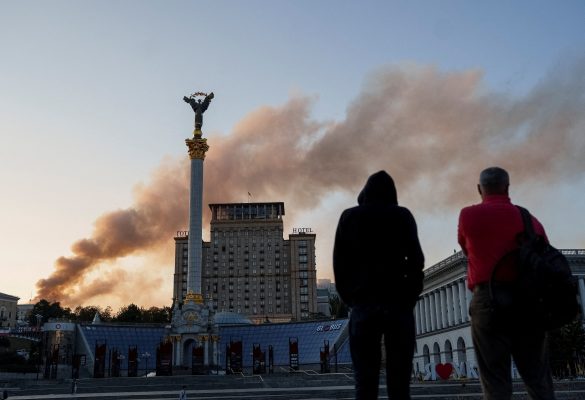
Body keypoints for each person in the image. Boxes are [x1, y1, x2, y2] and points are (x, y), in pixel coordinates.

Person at [458, 166, 555, 400]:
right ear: (507, 187)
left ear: (479, 188)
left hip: (488, 302)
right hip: (528, 303)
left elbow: (465, 248)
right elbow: (546, 256)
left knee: (495, 382)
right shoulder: (530, 220)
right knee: (538, 378)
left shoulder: (468, 216)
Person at [334, 170, 424, 399]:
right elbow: (417, 262)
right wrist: (409, 298)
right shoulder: (403, 216)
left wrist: (352, 300)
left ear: (365, 193)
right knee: (400, 383)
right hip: (398, 307)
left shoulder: (349, 217)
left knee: (364, 382)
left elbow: (340, 266)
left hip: (363, 306)